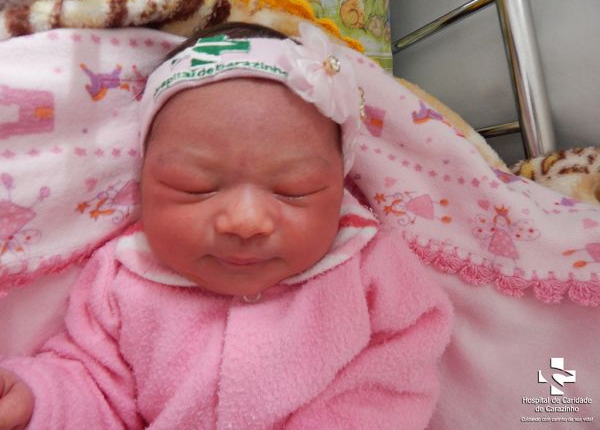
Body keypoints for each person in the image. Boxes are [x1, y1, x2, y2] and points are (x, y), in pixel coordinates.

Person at [0, 22, 452, 430]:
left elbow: (391, 383)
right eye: (194, 187)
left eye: (295, 190)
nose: (246, 222)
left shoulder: (371, 272)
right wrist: (38, 403)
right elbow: (93, 386)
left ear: (341, 186)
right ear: (142, 182)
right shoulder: (123, 279)